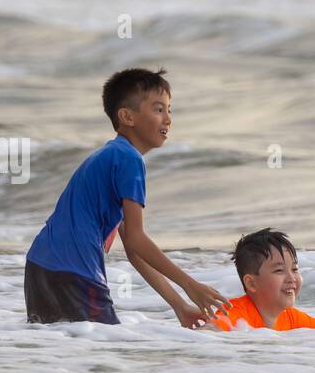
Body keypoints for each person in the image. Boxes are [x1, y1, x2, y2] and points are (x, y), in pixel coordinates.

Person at [24, 67, 230, 327]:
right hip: (75, 269)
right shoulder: (129, 159)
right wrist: (190, 285)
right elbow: (137, 237)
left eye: (169, 110)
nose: (168, 119)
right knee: (105, 347)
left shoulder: (111, 155)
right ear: (127, 116)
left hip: (41, 264)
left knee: (63, 345)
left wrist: (179, 306)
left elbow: (134, 251)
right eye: (158, 109)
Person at [209, 229, 315, 332]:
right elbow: (208, 333)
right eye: (279, 270)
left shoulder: (292, 318)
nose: (291, 278)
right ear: (251, 283)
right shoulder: (235, 313)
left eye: (295, 269)